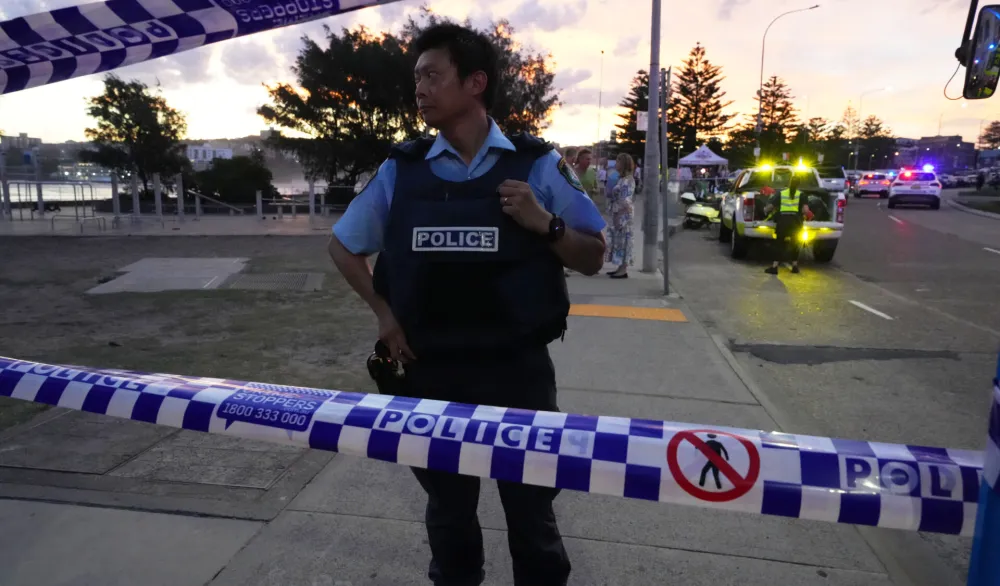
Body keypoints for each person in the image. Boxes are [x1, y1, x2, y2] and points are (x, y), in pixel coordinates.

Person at [327, 23, 607, 586]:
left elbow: (594, 255)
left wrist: (544, 223)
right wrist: (385, 317)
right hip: (432, 370)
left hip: (516, 373)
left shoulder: (535, 165)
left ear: (475, 82)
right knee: (449, 515)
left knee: (531, 513)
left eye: (432, 75)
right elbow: (344, 246)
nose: (420, 90)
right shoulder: (402, 169)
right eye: (416, 79)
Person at [763, 174, 805, 275]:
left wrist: (765, 210)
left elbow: (771, 206)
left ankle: (775, 267)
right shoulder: (801, 195)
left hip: (783, 222)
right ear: (799, 184)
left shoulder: (781, 193)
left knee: (779, 244)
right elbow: (805, 210)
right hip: (796, 222)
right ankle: (795, 266)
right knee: (795, 244)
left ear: (789, 182)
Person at [605, 153, 636, 279]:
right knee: (618, 241)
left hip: (623, 214)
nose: (615, 164)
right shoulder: (622, 179)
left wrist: (620, 215)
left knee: (623, 241)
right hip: (619, 212)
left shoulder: (628, 180)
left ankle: (623, 269)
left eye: (618, 162)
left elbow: (625, 199)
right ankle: (620, 267)